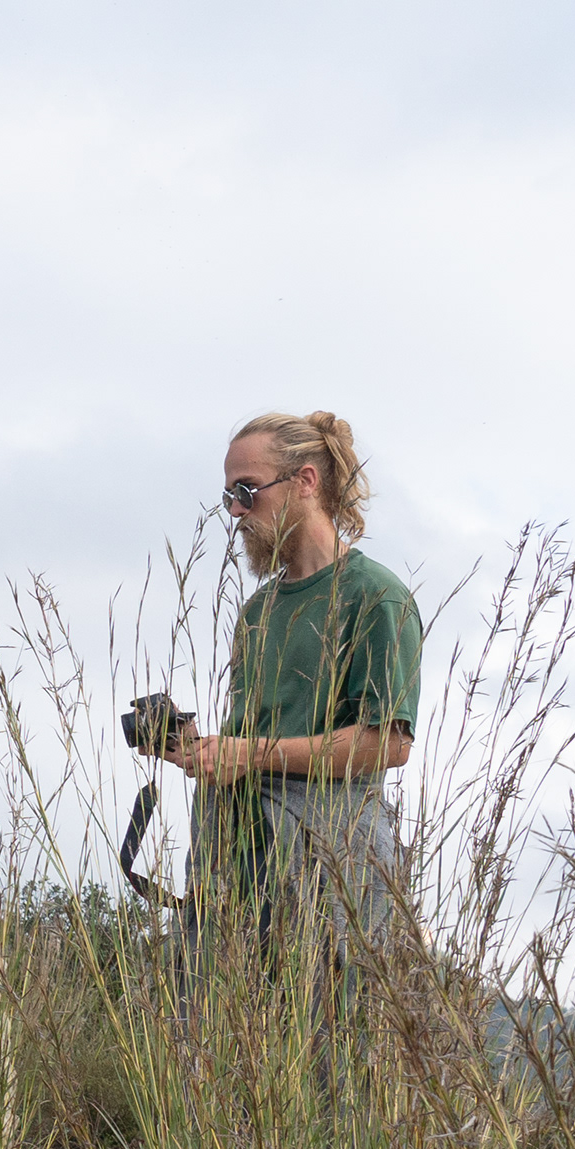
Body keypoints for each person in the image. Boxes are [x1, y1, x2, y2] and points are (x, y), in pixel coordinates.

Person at [147, 410, 422, 959]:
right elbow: (259, 738)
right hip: (233, 869)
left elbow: (387, 745)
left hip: (329, 868)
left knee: (325, 1016)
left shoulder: (375, 596)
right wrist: (206, 752)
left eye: (247, 491)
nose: (236, 512)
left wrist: (250, 753)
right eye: (229, 497)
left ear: (305, 481)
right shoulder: (256, 611)